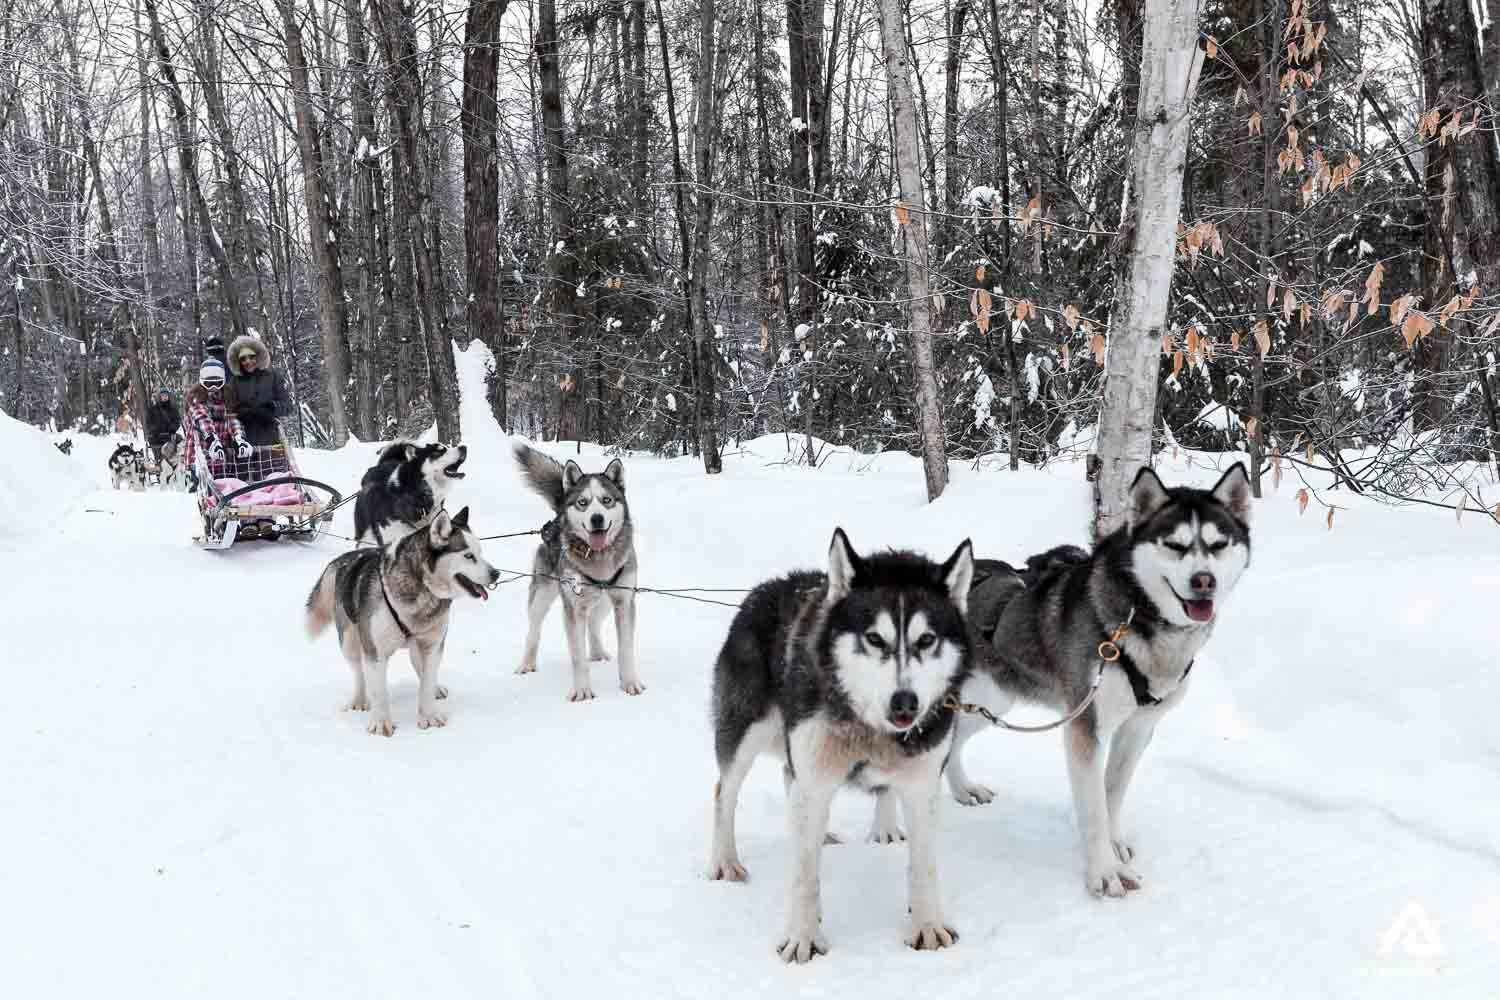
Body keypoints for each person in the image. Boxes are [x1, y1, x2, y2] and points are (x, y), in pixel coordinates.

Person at [183, 359, 252, 483]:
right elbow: (202, 418)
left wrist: (239, 437)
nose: (213, 387)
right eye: (209, 383)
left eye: (217, 382)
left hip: (222, 455)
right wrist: (212, 439)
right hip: (200, 455)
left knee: (225, 489)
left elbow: (232, 419)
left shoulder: (227, 396)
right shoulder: (196, 397)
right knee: (208, 495)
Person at [226, 335, 291, 448]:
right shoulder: (233, 382)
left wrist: (272, 407)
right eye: (243, 359)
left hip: (271, 439)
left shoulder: (273, 377)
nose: (248, 361)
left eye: (251, 357)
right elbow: (228, 409)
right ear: (238, 361)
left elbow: (288, 406)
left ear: (258, 356)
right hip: (244, 441)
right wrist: (241, 412)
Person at [145, 388, 181, 465]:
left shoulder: (173, 409)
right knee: (157, 448)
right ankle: (159, 462)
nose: (164, 397)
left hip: (169, 436)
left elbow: (177, 421)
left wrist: (172, 428)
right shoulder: (153, 409)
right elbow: (148, 422)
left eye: (166, 395)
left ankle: (176, 460)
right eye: (163, 395)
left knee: (180, 440)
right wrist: (154, 430)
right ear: (159, 397)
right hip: (156, 436)